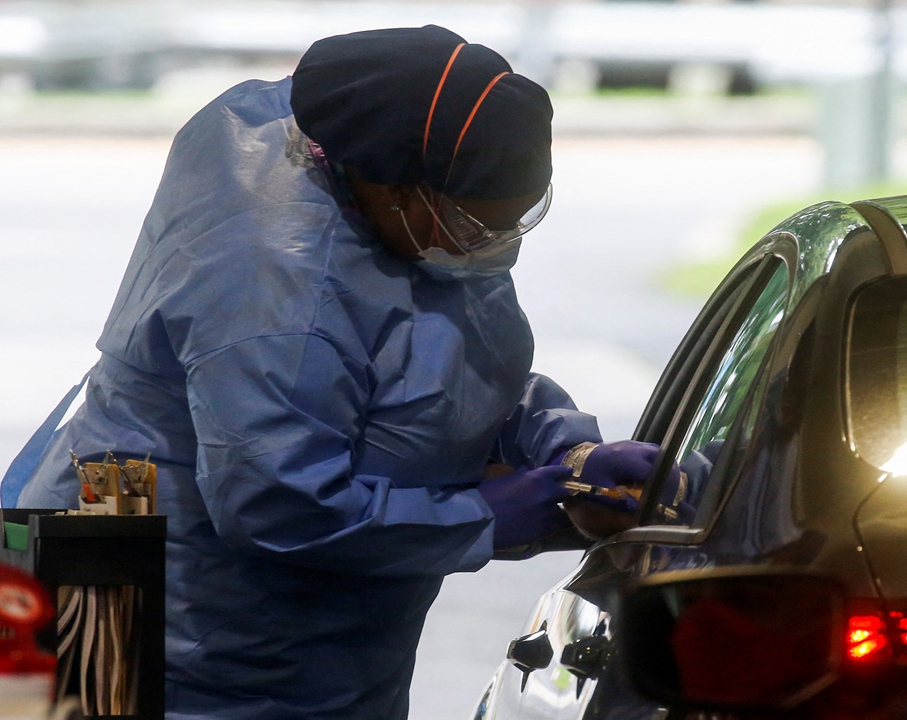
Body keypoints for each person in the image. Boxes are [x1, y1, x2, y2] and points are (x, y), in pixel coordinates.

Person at [9, 26, 662, 720]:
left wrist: (557, 443)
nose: (490, 250)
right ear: (388, 184)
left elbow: (441, 353)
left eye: (512, 226)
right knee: (105, 700)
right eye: (477, 229)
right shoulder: (278, 294)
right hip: (137, 570)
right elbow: (278, 503)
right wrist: (480, 516)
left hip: (216, 572)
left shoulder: (377, 171)